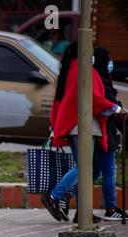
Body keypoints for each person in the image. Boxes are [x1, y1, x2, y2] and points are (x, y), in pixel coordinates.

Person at [42, 42, 126, 223]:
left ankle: (82, 210)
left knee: (88, 169)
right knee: (85, 168)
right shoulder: (84, 71)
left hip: (74, 125)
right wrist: (117, 110)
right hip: (83, 126)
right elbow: (96, 99)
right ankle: (54, 196)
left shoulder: (72, 70)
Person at [91, 47, 127, 221]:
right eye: (108, 60)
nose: (110, 63)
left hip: (99, 132)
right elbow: (107, 105)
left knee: (94, 171)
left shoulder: (98, 77)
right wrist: (119, 109)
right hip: (104, 132)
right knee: (109, 171)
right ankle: (111, 209)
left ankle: (65, 197)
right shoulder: (101, 80)